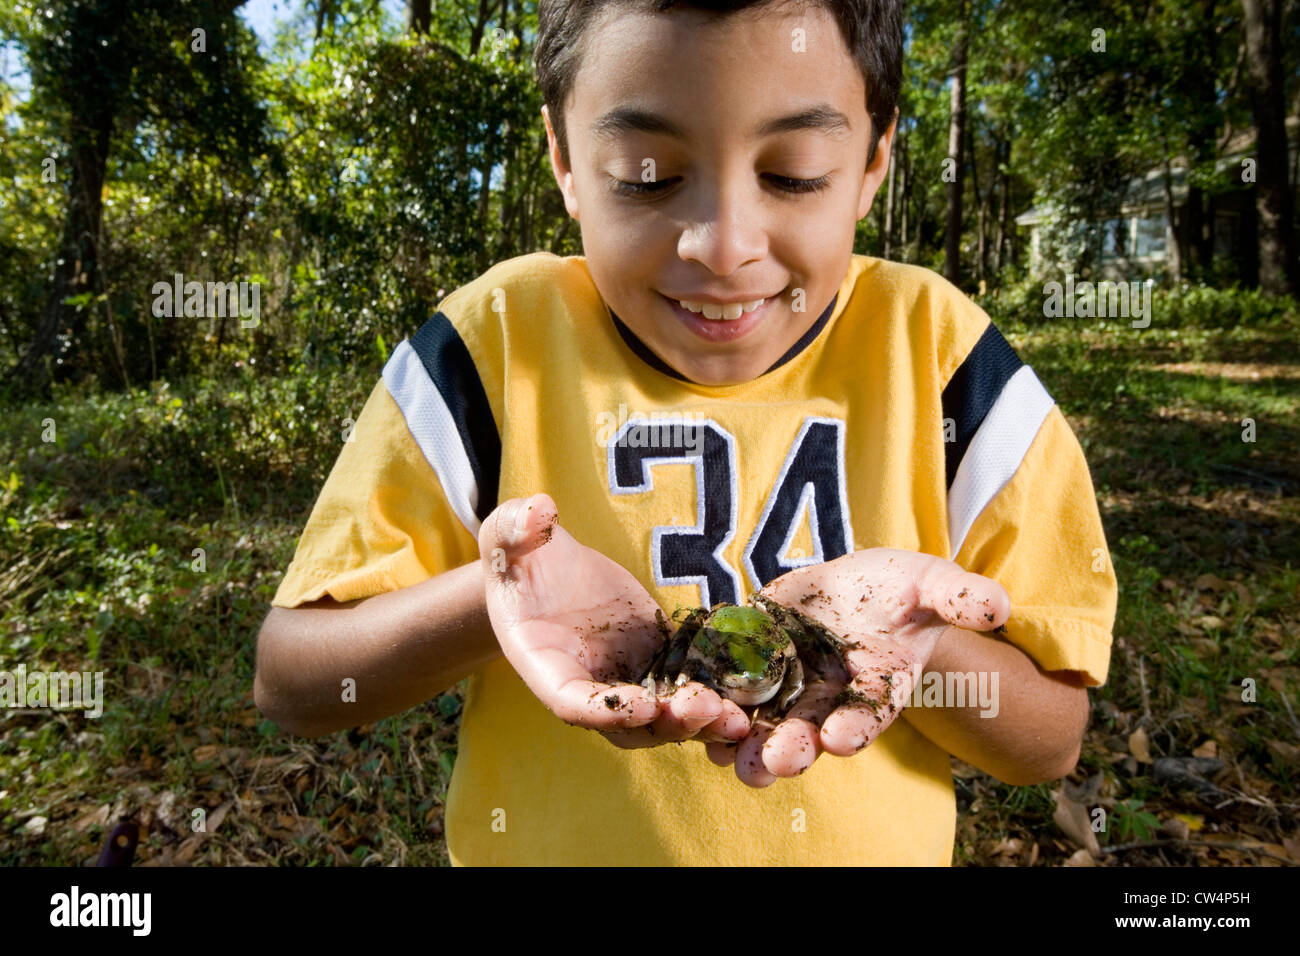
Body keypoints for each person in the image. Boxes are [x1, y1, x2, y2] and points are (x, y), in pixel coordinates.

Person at [254, 0, 1117, 865]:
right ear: (563, 157)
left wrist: (918, 649)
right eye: (645, 174)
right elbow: (294, 680)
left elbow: (1052, 741)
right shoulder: (496, 343)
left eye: (795, 172)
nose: (723, 244)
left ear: (872, 159)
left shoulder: (940, 356)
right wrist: (493, 599)